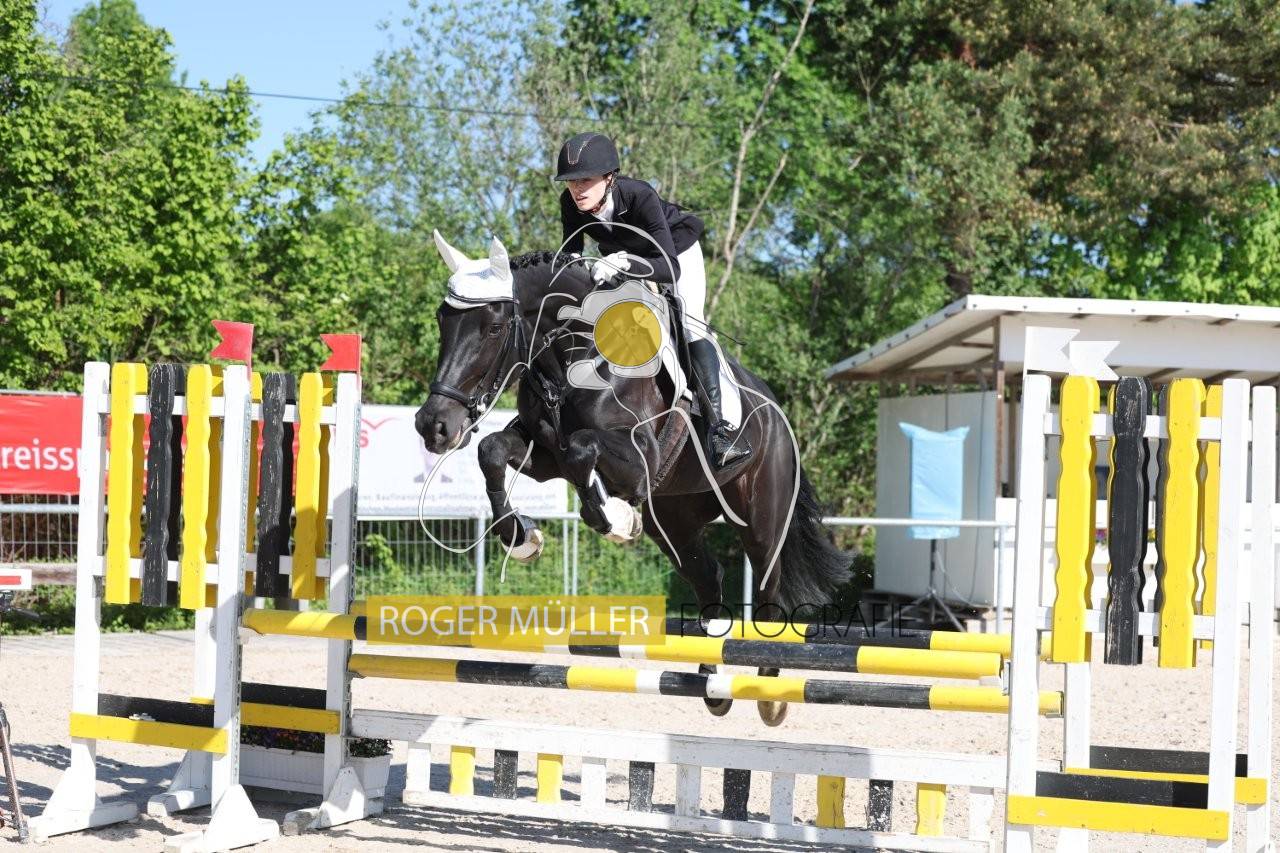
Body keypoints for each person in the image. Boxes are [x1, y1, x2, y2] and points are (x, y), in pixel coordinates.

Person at [554, 131, 750, 469]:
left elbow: (669, 266)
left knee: (688, 322)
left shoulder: (639, 195)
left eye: (585, 180)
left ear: (609, 177)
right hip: (623, 258)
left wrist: (625, 263)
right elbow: (570, 257)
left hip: (676, 253)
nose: (577, 189)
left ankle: (721, 430)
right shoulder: (570, 203)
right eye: (571, 181)